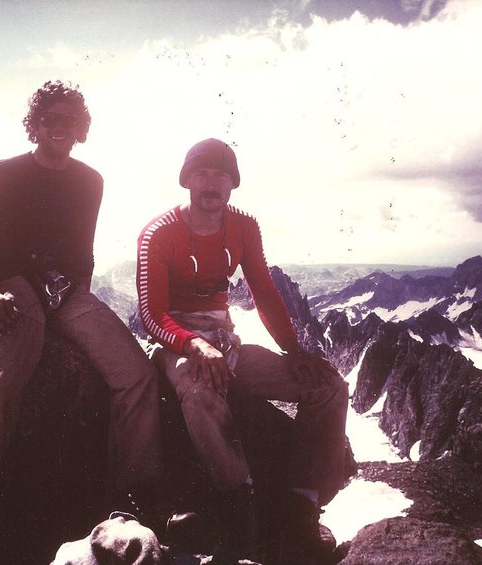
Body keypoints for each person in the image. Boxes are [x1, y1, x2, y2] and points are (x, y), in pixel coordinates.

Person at [0, 81, 163, 565]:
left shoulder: (91, 181)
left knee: (136, 376)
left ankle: (128, 504)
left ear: (81, 128)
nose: (59, 128)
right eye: (49, 119)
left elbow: (84, 250)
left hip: (67, 293)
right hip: (14, 287)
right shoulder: (2, 174)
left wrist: (74, 299)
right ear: (34, 125)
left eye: (69, 120)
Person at [136, 138, 349, 564]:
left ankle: (302, 505)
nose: (211, 183)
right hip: (175, 340)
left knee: (328, 387)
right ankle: (237, 503)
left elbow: (265, 292)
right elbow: (151, 314)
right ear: (187, 181)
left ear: (233, 184)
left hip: (225, 340)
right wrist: (194, 344)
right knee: (198, 395)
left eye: (221, 175)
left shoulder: (244, 227)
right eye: (201, 174)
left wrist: (294, 351)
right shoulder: (158, 234)